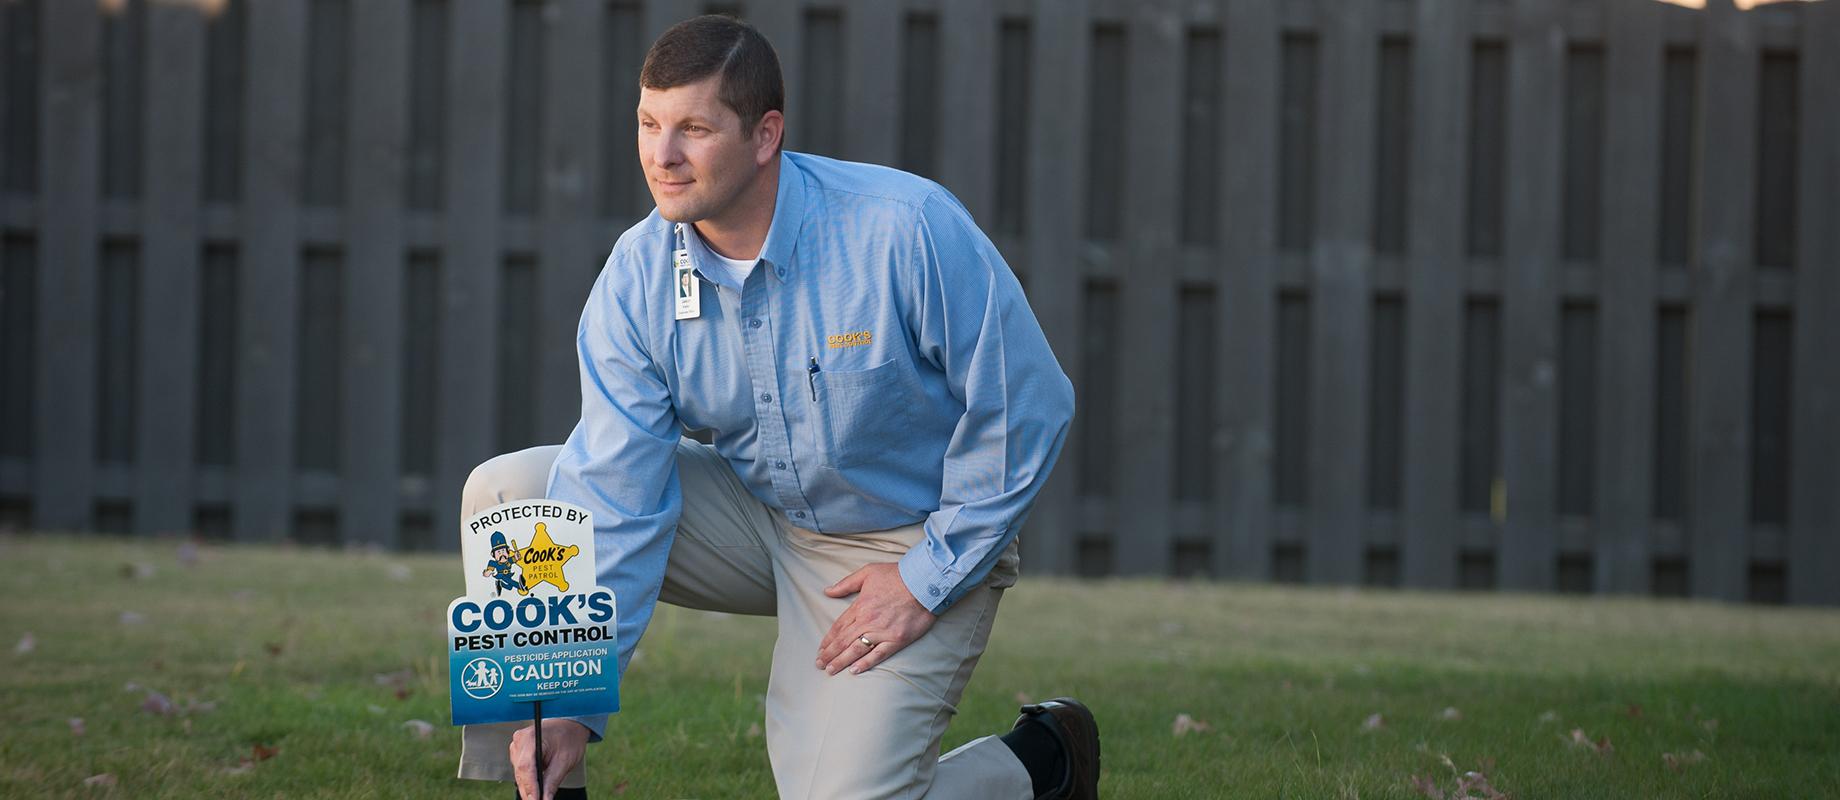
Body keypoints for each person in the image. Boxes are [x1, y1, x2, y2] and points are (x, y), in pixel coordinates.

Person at [457, 15, 1096, 800]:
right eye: (649, 125)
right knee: (514, 498)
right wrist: (568, 698)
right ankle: (549, 771)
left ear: (765, 135)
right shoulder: (638, 275)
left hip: (908, 541)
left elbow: (1027, 405)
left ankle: (1043, 763)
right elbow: (613, 491)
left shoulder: (903, 229)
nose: (662, 157)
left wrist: (928, 577)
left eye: (693, 128)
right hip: (759, 516)